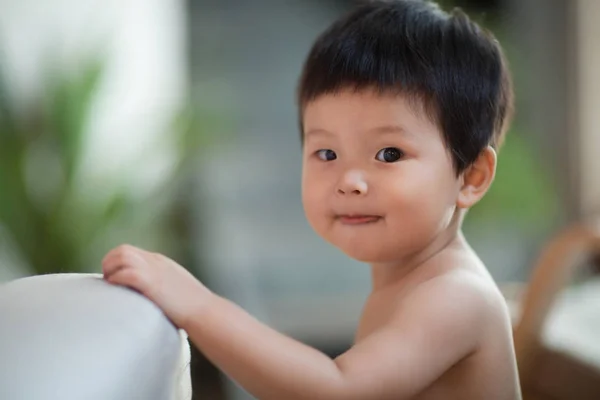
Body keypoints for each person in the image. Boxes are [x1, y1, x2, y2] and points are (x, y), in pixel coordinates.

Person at [102, 1, 521, 398]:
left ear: (471, 176)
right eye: (327, 153)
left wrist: (198, 304)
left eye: (388, 154)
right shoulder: (407, 279)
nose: (349, 180)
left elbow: (338, 389)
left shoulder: (457, 297)